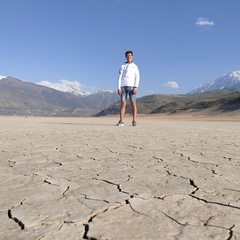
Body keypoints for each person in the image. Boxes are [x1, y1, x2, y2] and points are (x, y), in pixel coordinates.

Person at [117, 51, 140, 126]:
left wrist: (135, 87)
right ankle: (121, 121)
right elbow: (119, 77)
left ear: (132, 56)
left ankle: (134, 121)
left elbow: (137, 77)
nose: (129, 57)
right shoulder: (122, 66)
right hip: (123, 86)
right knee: (123, 103)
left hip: (131, 86)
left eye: (130, 56)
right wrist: (119, 88)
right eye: (127, 56)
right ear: (125, 57)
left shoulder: (135, 66)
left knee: (133, 104)